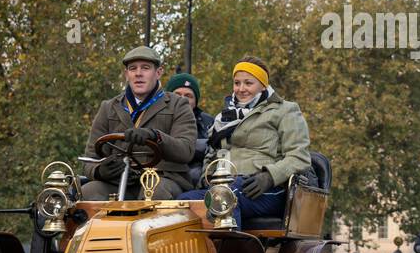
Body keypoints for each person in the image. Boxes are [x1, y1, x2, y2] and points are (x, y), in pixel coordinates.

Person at [177, 57, 312, 228]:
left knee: (226, 197)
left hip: (265, 188)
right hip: (224, 184)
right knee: (183, 202)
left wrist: (269, 177)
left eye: (248, 83)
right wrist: (207, 176)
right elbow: (212, 153)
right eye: (237, 83)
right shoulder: (223, 118)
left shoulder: (285, 110)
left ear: (263, 85)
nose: (241, 89)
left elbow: (299, 156)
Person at [82, 46, 197, 200]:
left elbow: (186, 150)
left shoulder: (178, 105)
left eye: (145, 68)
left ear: (158, 72)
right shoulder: (108, 107)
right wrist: (99, 171)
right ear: (126, 74)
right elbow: (90, 158)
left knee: (153, 192)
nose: (138, 74)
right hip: (120, 180)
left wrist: (155, 136)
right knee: (88, 191)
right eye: (132, 68)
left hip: (163, 178)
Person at [165, 72, 215, 185]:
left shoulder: (209, 122)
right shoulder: (158, 119)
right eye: (177, 94)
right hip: (168, 177)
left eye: (188, 96)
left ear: (195, 101)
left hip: (201, 178)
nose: (182, 99)